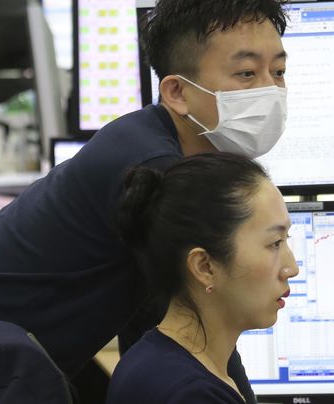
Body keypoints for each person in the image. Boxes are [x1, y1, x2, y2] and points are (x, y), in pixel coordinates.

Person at [0, 0, 289, 404]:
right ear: (176, 91)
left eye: (279, 71)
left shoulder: (157, 144)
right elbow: (188, 324)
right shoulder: (152, 165)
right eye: (246, 75)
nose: (269, 91)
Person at [107, 153, 299, 403]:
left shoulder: (167, 361)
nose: (291, 268)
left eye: (287, 240)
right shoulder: (190, 394)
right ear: (205, 266)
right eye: (275, 243)